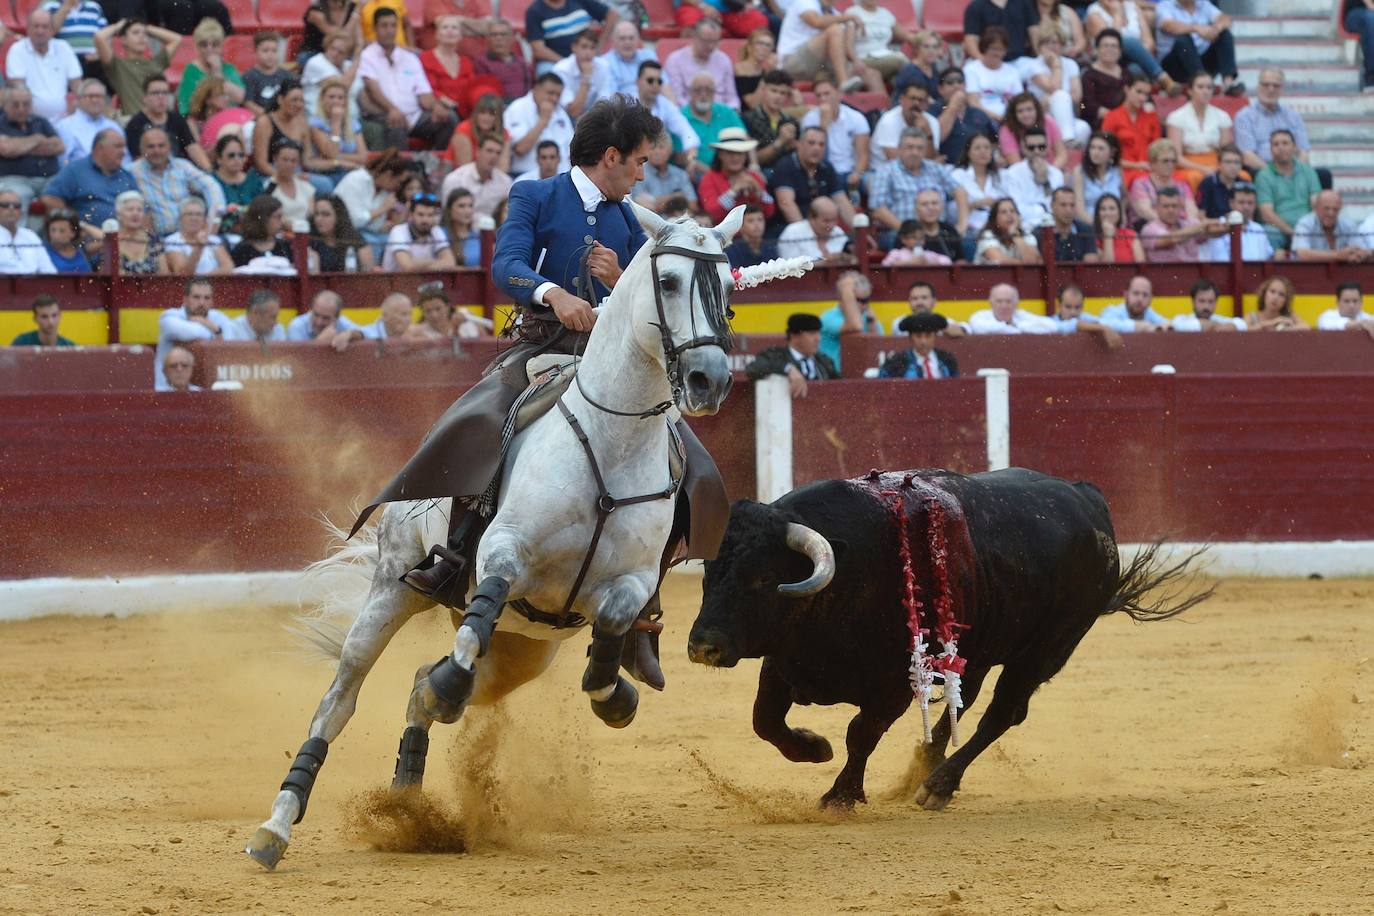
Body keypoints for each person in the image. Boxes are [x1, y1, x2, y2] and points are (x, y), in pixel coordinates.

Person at [372, 98, 726, 682]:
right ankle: (454, 550)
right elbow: (504, 265)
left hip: (613, 367)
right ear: (610, 156)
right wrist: (552, 294)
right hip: (539, 350)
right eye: (638, 161)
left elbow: (655, 302)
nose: (643, 173)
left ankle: (641, 611)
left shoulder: (637, 218)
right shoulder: (534, 195)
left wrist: (618, 279)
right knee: (483, 423)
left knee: (694, 469)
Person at [360, 8, 457, 150]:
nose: (390, 30)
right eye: (384, 26)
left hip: (415, 116)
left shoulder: (409, 58)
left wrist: (436, 107)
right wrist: (392, 109)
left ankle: (434, 166)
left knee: (449, 118)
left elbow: (424, 92)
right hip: (385, 114)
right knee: (396, 123)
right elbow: (372, 89)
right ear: (375, 28)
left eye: (393, 25)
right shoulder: (367, 56)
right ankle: (403, 171)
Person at [129, 127, 227, 237]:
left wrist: (214, 221)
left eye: (161, 145)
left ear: (169, 147)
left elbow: (211, 186)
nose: (157, 151)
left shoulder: (182, 166)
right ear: (141, 149)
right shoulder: (132, 172)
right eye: (151, 146)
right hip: (157, 239)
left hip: (189, 236)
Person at [40, 129, 137, 231]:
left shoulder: (126, 176)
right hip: (88, 240)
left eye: (123, 147)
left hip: (124, 239)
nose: (123, 152)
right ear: (100, 148)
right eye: (118, 146)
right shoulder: (75, 171)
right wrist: (75, 225)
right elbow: (50, 199)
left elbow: (143, 209)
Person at [777, 0, 882, 93]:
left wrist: (856, 60)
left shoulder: (834, 13)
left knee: (871, 74)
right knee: (834, 30)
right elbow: (816, 21)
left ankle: (882, 112)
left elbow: (845, 42)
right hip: (793, 64)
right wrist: (850, 17)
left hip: (820, 67)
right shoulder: (805, 2)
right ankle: (843, 82)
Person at [768, 126, 853, 235]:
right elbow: (786, 205)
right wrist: (809, 237)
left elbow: (842, 201)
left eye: (821, 144)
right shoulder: (785, 166)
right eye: (811, 143)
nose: (817, 148)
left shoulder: (827, 168)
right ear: (799, 144)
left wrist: (860, 232)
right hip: (788, 230)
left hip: (819, 230)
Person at [95, 18, 185, 118]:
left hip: (161, 121)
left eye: (144, 34)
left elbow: (177, 39)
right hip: (133, 121)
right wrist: (118, 26)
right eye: (135, 33)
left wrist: (148, 28)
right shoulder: (117, 66)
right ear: (124, 39)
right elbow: (99, 37)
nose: (142, 36)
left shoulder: (157, 62)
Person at [1233, 69, 1315, 177]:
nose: (1271, 89)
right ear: (1258, 87)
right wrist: (1276, 175)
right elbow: (1247, 156)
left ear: (1282, 89)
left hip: (1291, 169)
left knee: (1323, 175)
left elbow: (1303, 151)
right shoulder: (1245, 116)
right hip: (1261, 170)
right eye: (1265, 85)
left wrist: (1295, 173)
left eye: (1276, 86)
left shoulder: (1293, 116)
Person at [6, 9, 82, 123]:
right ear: (27, 29)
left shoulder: (63, 47)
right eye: (36, 26)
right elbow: (18, 86)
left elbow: (77, 85)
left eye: (44, 27)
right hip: (30, 120)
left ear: (52, 30)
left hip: (65, 119)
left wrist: (77, 104)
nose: (40, 31)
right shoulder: (17, 50)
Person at [1154, 0, 1242, 96]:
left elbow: (1225, 19)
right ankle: (1202, 82)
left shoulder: (1203, 4)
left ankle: (1228, 84)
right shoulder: (1165, 5)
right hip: (1175, 64)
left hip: (1201, 61)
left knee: (1225, 35)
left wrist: (1216, 29)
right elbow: (1168, 25)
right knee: (1183, 40)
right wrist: (1197, 28)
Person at [127, 74, 213, 172]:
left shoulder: (177, 119)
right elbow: (138, 160)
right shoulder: (135, 124)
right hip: (150, 174)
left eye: (165, 93)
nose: (161, 97)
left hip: (179, 171)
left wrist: (209, 170)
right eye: (155, 93)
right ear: (145, 98)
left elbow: (192, 147)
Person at [0, 84, 63, 216]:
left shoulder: (41, 122)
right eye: (15, 105)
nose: (21, 109)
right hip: (14, 180)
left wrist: (19, 146)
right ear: (5, 105)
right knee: (17, 197)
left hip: (49, 178)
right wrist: (37, 139)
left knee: (62, 193)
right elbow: (6, 149)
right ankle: (16, 235)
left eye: (26, 104)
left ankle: (59, 235)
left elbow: (59, 146)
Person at [1019, 33, 1089, 149]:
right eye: (1047, 43)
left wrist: (1057, 100)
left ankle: (1070, 160)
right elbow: (1054, 88)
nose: (1051, 46)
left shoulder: (1071, 64)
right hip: (1042, 114)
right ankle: (1067, 140)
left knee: (1083, 128)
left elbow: (1077, 96)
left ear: (1061, 46)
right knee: (1060, 95)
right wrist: (1056, 66)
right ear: (1040, 47)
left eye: (1055, 43)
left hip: (1065, 115)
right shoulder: (1034, 65)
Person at [155, 278, 229, 389]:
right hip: (165, 389)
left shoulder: (219, 318)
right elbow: (190, 332)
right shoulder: (169, 316)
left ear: (212, 301)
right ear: (185, 299)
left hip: (203, 388)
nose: (202, 303)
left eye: (207, 298)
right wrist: (215, 331)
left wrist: (209, 324)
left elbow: (231, 343)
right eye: (196, 297)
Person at [1166, 71, 1234, 191]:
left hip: (1216, 162)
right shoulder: (1176, 117)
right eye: (1200, 87)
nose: (1205, 91)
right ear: (1190, 90)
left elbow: (1226, 151)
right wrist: (1203, 169)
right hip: (1188, 164)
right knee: (1194, 177)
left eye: (1209, 87)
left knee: (1243, 177)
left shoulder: (1222, 116)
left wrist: (1219, 168)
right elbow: (1176, 156)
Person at [745, 312, 840, 398]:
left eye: (818, 333)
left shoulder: (824, 361)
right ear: (794, 336)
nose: (818, 338)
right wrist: (788, 368)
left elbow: (839, 387)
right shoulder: (776, 355)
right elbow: (752, 369)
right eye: (812, 334)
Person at [1255, 129, 1321, 251]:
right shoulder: (1264, 176)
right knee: (1270, 232)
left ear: (1294, 147)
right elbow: (1267, 215)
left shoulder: (1308, 171)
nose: (1280, 147)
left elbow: (1317, 204)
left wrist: (1304, 229)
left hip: (1307, 226)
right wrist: (1292, 232)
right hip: (1279, 228)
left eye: (1285, 143)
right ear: (1271, 149)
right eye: (1276, 144)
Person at [799, 76, 869, 190]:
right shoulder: (810, 119)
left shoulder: (856, 117)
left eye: (827, 94)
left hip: (850, 171)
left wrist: (857, 174)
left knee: (871, 181)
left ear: (839, 94)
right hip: (824, 172)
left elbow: (863, 155)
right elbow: (814, 156)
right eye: (819, 95)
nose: (822, 99)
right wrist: (824, 125)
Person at [1084, 5, 1171, 94]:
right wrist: (1116, 15)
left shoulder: (1133, 7)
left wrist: (1139, 53)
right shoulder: (1094, 12)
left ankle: (1149, 99)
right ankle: (1163, 78)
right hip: (1110, 59)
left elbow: (1149, 41)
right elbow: (1109, 42)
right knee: (1128, 41)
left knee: (1135, 68)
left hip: (1137, 59)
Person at [505, 72, 576, 176]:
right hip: (526, 176)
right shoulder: (518, 108)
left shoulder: (560, 113)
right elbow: (520, 149)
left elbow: (571, 151)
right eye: (550, 93)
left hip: (560, 177)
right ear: (536, 89)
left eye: (558, 95)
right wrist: (543, 121)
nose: (554, 99)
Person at [696, 128, 772, 225]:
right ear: (720, 154)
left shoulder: (753, 177)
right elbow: (712, 213)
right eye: (730, 153)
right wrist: (733, 192)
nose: (735, 158)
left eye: (739, 153)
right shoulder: (709, 179)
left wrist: (758, 191)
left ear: (745, 155)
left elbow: (769, 212)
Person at [634, 61, 700, 171]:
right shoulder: (626, 104)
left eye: (659, 81)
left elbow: (688, 134)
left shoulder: (665, 105)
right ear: (638, 81)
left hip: (656, 166)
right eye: (650, 80)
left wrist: (691, 159)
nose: (655, 85)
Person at [176, 18, 247, 116]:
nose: (209, 49)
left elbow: (241, 98)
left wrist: (217, 72)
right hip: (201, 120)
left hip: (230, 118)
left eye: (215, 44)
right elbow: (185, 108)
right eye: (204, 45)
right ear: (197, 47)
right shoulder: (191, 70)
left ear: (221, 46)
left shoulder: (229, 69)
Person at [524, 0, 617, 75]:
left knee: (611, 67)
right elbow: (538, 49)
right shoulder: (534, 11)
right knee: (547, 74)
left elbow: (612, 15)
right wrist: (568, 63)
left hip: (588, 54)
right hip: (556, 61)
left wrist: (599, 45)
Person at [1100, 74, 1160, 187]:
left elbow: (1157, 149)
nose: (1142, 98)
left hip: (1150, 171)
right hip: (1123, 171)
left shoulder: (1151, 116)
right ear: (1127, 89)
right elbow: (1106, 154)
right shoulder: (1112, 117)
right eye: (1139, 92)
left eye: (1146, 94)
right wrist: (1137, 166)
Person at [666, 20, 739, 110]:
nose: (711, 46)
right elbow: (677, 98)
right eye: (706, 41)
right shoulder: (675, 60)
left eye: (715, 42)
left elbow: (732, 98)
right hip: (689, 113)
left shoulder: (724, 59)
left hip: (720, 113)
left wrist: (729, 110)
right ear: (695, 37)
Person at [1003, 127, 1065, 229]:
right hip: (1025, 226)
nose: (1036, 151)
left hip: (1053, 226)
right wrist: (1044, 209)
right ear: (1023, 148)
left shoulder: (1056, 174)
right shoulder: (1013, 173)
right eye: (1031, 147)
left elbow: (1059, 207)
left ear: (1047, 147)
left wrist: (1046, 182)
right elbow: (1016, 207)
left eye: (1041, 147)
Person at [682, 73, 746, 172]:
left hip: (730, 170)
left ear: (714, 93)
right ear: (690, 92)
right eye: (698, 90)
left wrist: (754, 165)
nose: (703, 94)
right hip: (697, 172)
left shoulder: (726, 112)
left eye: (708, 90)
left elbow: (745, 138)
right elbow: (678, 155)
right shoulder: (680, 117)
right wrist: (713, 176)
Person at [951, 133, 1006, 246]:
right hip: (970, 229)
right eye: (977, 148)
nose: (983, 151)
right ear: (968, 152)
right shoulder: (958, 175)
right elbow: (952, 210)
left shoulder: (1001, 176)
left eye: (986, 148)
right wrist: (977, 204)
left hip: (997, 229)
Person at [1141, 185, 1223, 261]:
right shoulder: (1149, 229)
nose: (1171, 210)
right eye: (1166, 206)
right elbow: (1173, 239)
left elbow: (1216, 232)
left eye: (1174, 206)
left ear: (1181, 207)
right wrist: (1203, 224)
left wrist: (1228, 224)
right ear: (1156, 208)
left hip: (1195, 273)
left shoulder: (1190, 223)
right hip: (1165, 274)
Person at [818, 271, 881, 369]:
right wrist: (846, 289)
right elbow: (856, 326)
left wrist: (872, 325)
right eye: (858, 300)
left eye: (866, 300)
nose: (864, 305)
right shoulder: (829, 318)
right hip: (833, 377)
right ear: (843, 298)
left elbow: (879, 347)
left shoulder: (868, 317)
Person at [847, 0, 921, 83]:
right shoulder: (853, 13)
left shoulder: (885, 14)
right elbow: (848, 45)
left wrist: (926, 42)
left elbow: (907, 35)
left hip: (885, 56)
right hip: (864, 58)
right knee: (902, 61)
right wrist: (856, 61)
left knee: (898, 77)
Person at [742, 69, 799, 173]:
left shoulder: (791, 121)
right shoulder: (747, 118)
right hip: (762, 174)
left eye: (783, 93)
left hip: (788, 174)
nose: (778, 96)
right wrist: (780, 141)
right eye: (774, 91)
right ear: (763, 90)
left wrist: (795, 146)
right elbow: (750, 160)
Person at [1129, 138, 1196, 227]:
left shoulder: (1182, 185)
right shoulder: (1141, 184)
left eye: (1173, 161)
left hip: (1181, 227)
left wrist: (1184, 226)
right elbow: (1145, 211)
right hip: (1151, 227)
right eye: (1165, 161)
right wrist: (1170, 226)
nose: (1170, 165)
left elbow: (1192, 210)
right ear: (1152, 163)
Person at [962, 27, 1024, 123]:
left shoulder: (1012, 71)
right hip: (982, 119)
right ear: (984, 48)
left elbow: (1020, 100)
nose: (997, 53)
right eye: (994, 48)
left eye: (1001, 49)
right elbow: (973, 103)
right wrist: (997, 118)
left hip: (1010, 118)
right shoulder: (971, 69)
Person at [1201, 182, 1273, 263]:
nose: (1246, 207)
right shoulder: (1217, 226)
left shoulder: (1259, 228)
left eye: (1250, 203)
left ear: (1255, 205)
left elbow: (1267, 257)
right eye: (1241, 202)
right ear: (1231, 203)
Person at [549, 29, 612, 122]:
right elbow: (573, 111)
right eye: (584, 47)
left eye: (592, 48)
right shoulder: (561, 70)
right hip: (565, 119)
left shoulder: (603, 66)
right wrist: (586, 78)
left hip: (593, 118)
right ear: (574, 47)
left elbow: (605, 103)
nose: (588, 52)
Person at [381, 190, 454, 270]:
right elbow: (407, 266)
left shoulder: (436, 230)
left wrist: (416, 264)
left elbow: (450, 262)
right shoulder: (398, 231)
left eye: (430, 215)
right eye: (420, 214)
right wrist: (437, 262)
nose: (425, 220)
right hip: (395, 281)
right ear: (411, 215)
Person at [1289, 190, 1369, 263]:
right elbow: (1301, 254)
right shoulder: (1305, 224)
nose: (1331, 213)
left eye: (1335, 209)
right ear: (1316, 208)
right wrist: (1338, 255)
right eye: (1326, 209)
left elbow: (1361, 249)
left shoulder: (1348, 224)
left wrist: (1360, 254)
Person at [56, 79, 121, 167]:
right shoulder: (65, 126)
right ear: (79, 99)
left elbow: (125, 159)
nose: (95, 100)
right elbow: (62, 163)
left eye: (99, 96)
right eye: (90, 96)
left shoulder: (114, 127)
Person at [872, 81, 942, 162]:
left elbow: (931, 158)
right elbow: (893, 158)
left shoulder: (932, 122)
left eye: (921, 100)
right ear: (902, 99)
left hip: (918, 171)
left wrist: (928, 133)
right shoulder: (889, 120)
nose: (916, 103)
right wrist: (928, 160)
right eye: (912, 98)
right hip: (883, 170)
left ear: (927, 104)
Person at [164, 196, 233, 274]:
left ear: (204, 219)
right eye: (189, 214)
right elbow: (182, 274)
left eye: (199, 214)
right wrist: (199, 247)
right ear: (180, 218)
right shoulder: (172, 241)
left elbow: (228, 267)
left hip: (212, 284)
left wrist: (202, 279)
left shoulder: (213, 239)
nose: (194, 218)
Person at [999, 92, 1068, 170]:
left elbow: (1062, 155)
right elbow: (1016, 163)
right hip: (1022, 174)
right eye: (1020, 111)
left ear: (1037, 110)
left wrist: (1051, 172)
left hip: (1050, 168)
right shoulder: (1007, 130)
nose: (1025, 114)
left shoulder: (1048, 121)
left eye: (1029, 109)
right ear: (1014, 114)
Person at [878, 313, 959, 379]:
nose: (923, 341)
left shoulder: (947, 359)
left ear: (935, 336)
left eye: (928, 336)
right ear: (910, 338)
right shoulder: (898, 362)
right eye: (918, 336)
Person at [303, 29, 363, 118]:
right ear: (327, 46)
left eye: (341, 52)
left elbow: (361, 93)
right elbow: (343, 86)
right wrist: (357, 58)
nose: (335, 53)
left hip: (350, 120)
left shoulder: (348, 66)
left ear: (347, 55)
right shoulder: (316, 62)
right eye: (333, 48)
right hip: (318, 118)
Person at [310, 192, 376, 271]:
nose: (319, 219)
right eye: (316, 214)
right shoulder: (310, 242)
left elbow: (369, 274)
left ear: (338, 216)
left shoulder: (355, 239)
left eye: (326, 214)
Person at [961, 0, 1040, 65]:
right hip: (987, 60)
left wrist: (1039, 56)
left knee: (1041, 71)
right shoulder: (975, 6)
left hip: (1020, 60)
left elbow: (1034, 31)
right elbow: (971, 39)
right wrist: (983, 61)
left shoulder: (1024, 2)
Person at [0, 189, 57, 274]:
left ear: (21, 212)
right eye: (5, 205)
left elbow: (49, 271)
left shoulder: (31, 236)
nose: (11, 208)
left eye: (16, 206)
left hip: (34, 285)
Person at [472, 19, 531, 102]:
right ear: (487, 39)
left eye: (503, 34)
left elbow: (529, 87)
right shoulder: (482, 63)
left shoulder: (522, 62)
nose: (498, 38)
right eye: (494, 35)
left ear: (512, 38)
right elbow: (486, 94)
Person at [1080, 28, 1127, 131]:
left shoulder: (1127, 74)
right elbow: (1085, 105)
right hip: (1101, 123)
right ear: (1097, 49)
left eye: (1114, 46)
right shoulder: (1088, 75)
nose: (1110, 49)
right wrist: (1113, 117)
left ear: (1120, 51)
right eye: (1105, 46)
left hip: (1126, 120)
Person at [777, 196, 849, 262]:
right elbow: (789, 268)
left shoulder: (838, 232)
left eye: (834, 220)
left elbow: (851, 259)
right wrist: (826, 261)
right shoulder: (792, 232)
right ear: (811, 218)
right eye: (826, 221)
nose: (831, 225)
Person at [230, 194, 294, 267]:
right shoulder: (242, 250)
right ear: (263, 219)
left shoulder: (285, 246)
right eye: (277, 217)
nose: (281, 221)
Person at [265, 138, 316, 227]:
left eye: (293, 161)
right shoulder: (269, 187)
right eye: (285, 160)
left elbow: (312, 214)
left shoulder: (304, 185)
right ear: (275, 159)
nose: (289, 165)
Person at [1072, 131, 1122, 223]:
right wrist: (1100, 227)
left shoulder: (1117, 171)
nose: (1095, 152)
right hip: (1088, 225)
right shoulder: (1079, 172)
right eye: (1092, 147)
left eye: (1101, 148)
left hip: (1114, 225)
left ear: (1112, 152)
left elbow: (1124, 199)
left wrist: (1121, 219)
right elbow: (1080, 211)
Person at [969, 283, 1057, 334]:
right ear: (991, 303)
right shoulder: (980, 316)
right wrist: (1014, 328)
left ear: (1016, 304)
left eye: (1008, 301)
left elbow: (1052, 326)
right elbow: (979, 327)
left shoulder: (1020, 315)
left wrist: (1018, 325)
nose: (1004, 306)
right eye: (999, 301)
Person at [287, 288, 366, 345]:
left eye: (326, 318)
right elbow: (298, 360)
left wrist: (349, 334)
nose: (319, 322)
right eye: (316, 315)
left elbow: (367, 333)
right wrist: (319, 342)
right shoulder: (297, 326)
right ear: (310, 310)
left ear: (337, 317)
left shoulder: (341, 322)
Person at [600, 21, 657, 98]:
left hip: (654, 103)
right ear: (613, 41)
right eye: (622, 38)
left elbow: (664, 86)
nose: (627, 42)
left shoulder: (649, 56)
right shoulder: (605, 63)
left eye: (631, 38)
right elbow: (611, 98)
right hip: (624, 107)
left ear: (638, 40)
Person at [211, 134, 265, 209]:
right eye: (231, 155)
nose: (237, 159)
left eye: (241, 155)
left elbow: (263, 209)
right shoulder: (211, 181)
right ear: (219, 159)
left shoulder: (254, 181)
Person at [243, 31, 291, 116]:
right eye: (265, 51)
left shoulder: (286, 76)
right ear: (255, 52)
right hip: (259, 119)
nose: (270, 55)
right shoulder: (249, 76)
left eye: (274, 51)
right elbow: (248, 103)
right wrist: (269, 117)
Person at [1099, 274, 1168, 332]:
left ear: (1151, 298)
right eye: (1136, 293)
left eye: (1145, 295)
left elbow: (1167, 324)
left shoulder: (1149, 313)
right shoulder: (1112, 311)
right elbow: (1102, 324)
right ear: (1126, 295)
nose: (1140, 299)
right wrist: (1138, 326)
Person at [1171, 279, 1243, 331]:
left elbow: (1241, 324)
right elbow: (1176, 325)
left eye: (1211, 301)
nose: (1206, 306)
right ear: (1193, 301)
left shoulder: (1219, 320)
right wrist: (1212, 325)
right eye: (1202, 301)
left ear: (1216, 302)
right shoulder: (1182, 319)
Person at [892, 30, 945, 100]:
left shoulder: (934, 70)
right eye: (926, 46)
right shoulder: (910, 71)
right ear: (917, 49)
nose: (931, 50)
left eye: (935, 47)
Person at [1197, 144, 1245, 219]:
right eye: (1228, 162)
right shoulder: (1207, 183)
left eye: (1236, 162)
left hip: (1241, 227)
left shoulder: (1244, 184)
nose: (1233, 166)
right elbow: (1201, 217)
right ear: (1219, 164)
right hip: (1214, 228)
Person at [1092, 192, 1144, 262]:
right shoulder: (1091, 238)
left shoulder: (1130, 234)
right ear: (1097, 213)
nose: (1107, 213)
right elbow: (1107, 266)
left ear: (1119, 212)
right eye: (1103, 209)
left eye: (1112, 208)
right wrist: (1108, 236)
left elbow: (1141, 265)